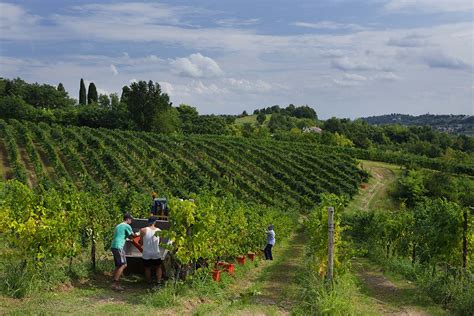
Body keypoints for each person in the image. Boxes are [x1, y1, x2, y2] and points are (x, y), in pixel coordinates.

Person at [110, 213, 136, 291]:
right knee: (123, 265)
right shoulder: (127, 226)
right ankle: (115, 284)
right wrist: (139, 234)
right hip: (119, 246)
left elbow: (121, 235)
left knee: (118, 265)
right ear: (127, 219)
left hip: (113, 246)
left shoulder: (118, 225)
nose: (131, 221)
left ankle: (113, 281)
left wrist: (127, 239)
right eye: (131, 219)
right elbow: (132, 236)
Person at [140, 216, 163, 287]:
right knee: (158, 267)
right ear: (155, 222)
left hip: (146, 253)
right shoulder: (159, 231)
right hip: (156, 253)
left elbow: (141, 242)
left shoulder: (143, 230)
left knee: (147, 268)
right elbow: (160, 242)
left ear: (148, 222)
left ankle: (149, 283)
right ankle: (158, 283)